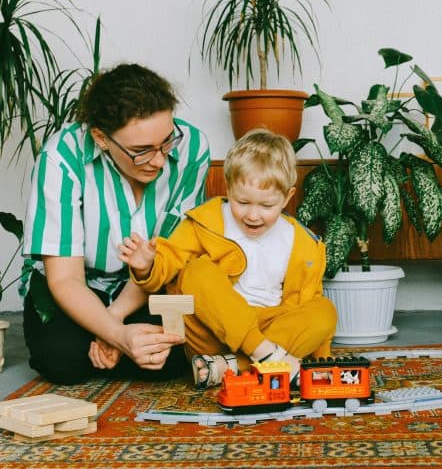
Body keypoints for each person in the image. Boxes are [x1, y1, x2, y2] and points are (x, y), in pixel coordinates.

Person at [21, 63, 211, 384]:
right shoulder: (60, 158)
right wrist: (119, 336)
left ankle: (114, 346)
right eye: (141, 151)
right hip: (76, 288)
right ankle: (114, 348)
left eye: (166, 141)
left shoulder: (192, 147)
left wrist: (114, 323)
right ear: (101, 138)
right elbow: (65, 279)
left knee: (171, 359)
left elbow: (169, 256)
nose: (160, 160)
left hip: (150, 283)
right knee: (63, 362)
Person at [117, 128, 336, 389]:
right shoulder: (206, 221)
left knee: (324, 312)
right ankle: (264, 355)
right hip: (213, 330)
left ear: (287, 197)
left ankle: (230, 366)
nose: (253, 215)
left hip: (272, 328)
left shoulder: (303, 243)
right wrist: (147, 265)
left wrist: (323, 363)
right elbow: (170, 260)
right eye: (242, 202)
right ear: (228, 187)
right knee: (197, 270)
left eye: (266, 206)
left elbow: (309, 299)